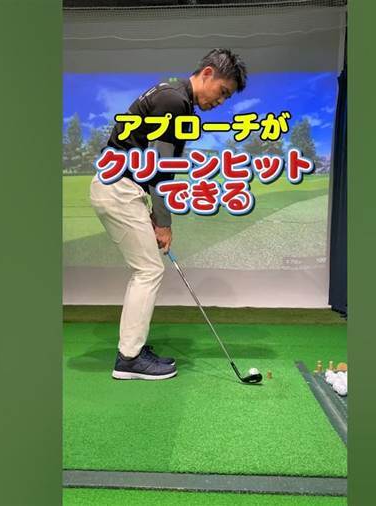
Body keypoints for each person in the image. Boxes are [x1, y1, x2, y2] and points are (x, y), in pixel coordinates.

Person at [89, 48, 248, 380]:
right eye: (222, 92)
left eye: (227, 98)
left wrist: (149, 209)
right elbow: (161, 169)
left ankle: (132, 349)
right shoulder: (175, 101)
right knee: (148, 270)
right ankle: (129, 359)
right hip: (118, 188)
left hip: (123, 188)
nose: (221, 101)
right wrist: (163, 222)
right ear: (208, 73)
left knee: (147, 269)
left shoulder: (173, 93)